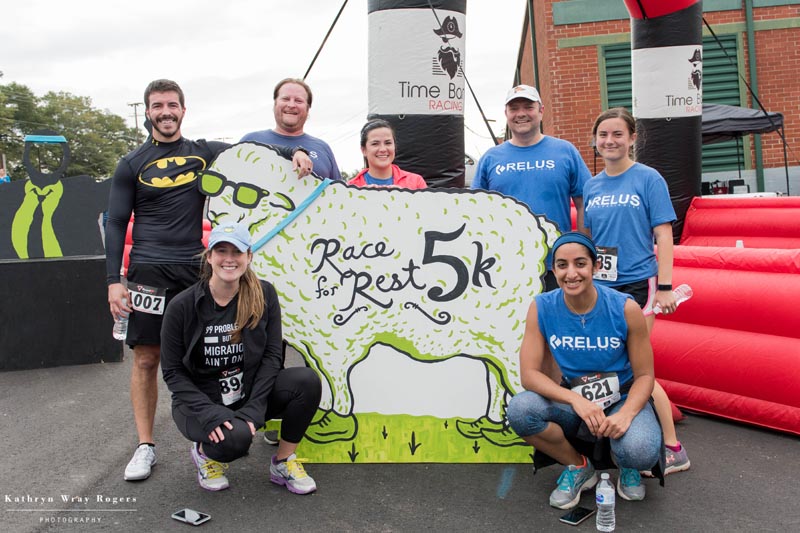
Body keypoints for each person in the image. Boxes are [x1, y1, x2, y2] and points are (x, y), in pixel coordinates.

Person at [105, 79, 312, 482]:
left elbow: (252, 152)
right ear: (148, 112)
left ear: (183, 110)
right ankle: (145, 445)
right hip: (148, 271)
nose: (165, 112)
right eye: (157, 106)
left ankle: (217, 426)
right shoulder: (131, 163)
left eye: (172, 105)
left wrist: (293, 151)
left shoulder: (203, 152)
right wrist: (114, 280)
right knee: (147, 359)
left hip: (195, 269)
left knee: (212, 352)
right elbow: (115, 221)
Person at [160, 221, 321, 493]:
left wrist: (254, 409)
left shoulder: (264, 293)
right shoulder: (182, 306)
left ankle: (283, 461)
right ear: (209, 256)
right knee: (235, 440)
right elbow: (173, 372)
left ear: (249, 256)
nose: (229, 259)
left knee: (306, 381)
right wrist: (209, 413)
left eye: (237, 252)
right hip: (201, 401)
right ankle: (205, 455)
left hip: (247, 393)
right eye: (221, 251)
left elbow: (272, 356)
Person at [506, 232, 661, 509]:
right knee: (520, 410)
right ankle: (579, 467)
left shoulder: (626, 308)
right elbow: (529, 375)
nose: (571, 273)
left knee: (640, 450)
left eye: (580, 264)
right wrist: (576, 400)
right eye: (562, 265)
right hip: (573, 400)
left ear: (596, 266)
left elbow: (645, 376)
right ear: (554, 270)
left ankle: (627, 464)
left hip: (622, 397)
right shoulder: (541, 307)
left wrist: (626, 414)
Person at [583, 107, 690, 476]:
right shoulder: (592, 185)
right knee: (606, 364)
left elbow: (664, 234)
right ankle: (617, 440)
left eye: (617, 134)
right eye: (603, 135)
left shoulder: (648, 178)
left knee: (635, 365)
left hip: (638, 283)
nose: (609, 141)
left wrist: (665, 287)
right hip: (602, 287)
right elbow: (589, 239)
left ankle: (673, 447)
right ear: (595, 141)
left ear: (632, 138)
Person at [472, 84, 591, 290]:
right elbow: (476, 212)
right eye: (514, 108)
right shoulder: (490, 158)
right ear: (506, 113)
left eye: (528, 107)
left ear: (541, 111)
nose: (521, 114)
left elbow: (584, 204)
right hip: (505, 266)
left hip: (558, 266)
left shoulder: (565, 151)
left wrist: (584, 250)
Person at [241, 77, 342, 181]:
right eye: (285, 99)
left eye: (298, 101)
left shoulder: (323, 148)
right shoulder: (250, 140)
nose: (291, 105)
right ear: (275, 104)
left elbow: (337, 189)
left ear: (308, 109)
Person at [347, 119, 427, 189]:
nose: (383, 149)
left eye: (388, 143)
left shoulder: (416, 182)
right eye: (375, 144)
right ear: (364, 150)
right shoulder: (351, 188)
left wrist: (404, 197)